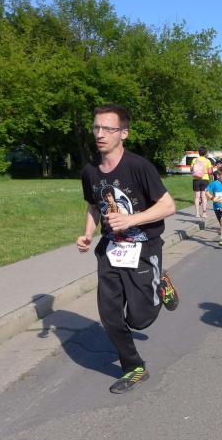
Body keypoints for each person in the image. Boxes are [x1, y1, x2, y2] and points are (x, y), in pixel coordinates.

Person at [77, 103, 179, 394]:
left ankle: (160, 284)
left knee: (139, 319)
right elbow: (94, 206)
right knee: (109, 315)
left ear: (123, 133)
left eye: (108, 129)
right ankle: (134, 366)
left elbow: (168, 206)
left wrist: (130, 219)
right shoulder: (90, 171)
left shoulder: (139, 166)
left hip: (144, 248)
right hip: (110, 249)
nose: (100, 134)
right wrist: (87, 234)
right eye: (96, 127)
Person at [191, 146, 212, 219]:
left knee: (197, 197)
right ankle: (204, 213)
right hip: (205, 179)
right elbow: (210, 172)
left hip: (196, 179)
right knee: (204, 197)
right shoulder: (207, 161)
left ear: (198, 152)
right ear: (205, 153)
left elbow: (191, 169)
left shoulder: (194, 160)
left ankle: (197, 213)